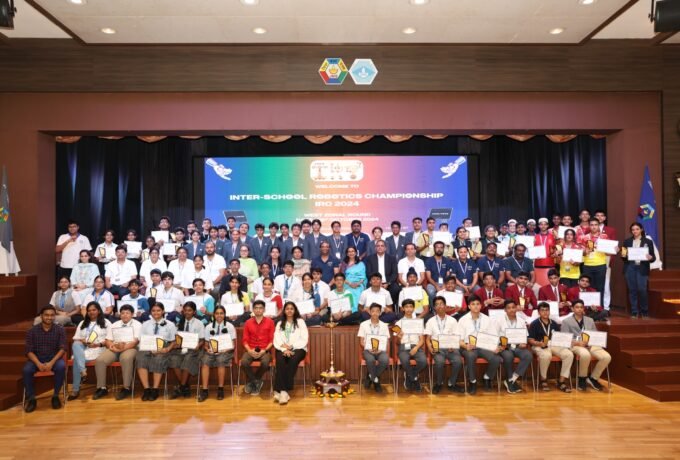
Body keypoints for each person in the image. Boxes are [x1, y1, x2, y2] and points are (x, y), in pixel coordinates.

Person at [23, 306, 67, 413]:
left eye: (52, 315)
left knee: (61, 366)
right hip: (36, 359)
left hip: (54, 358)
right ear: (41, 316)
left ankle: (55, 396)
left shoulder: (60, 330)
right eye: (46, 315)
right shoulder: (32, 331)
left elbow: (62, 349)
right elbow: (29, 351)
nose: (49, 317)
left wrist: (51, 363)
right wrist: (38, 363)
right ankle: (32, 398)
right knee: (26, 370)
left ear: (55, 316)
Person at [561, 300, 611, 391]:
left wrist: (591, 342)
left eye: (581, 307)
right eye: (577, 307)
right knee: (585, 354)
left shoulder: (590, 320)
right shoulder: (566, 321)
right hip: (575, 345)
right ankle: (582, 378)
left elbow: (595, 334)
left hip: (590, 344)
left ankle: (593, 378)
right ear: (572, 309)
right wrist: (577, 343)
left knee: (607, 357)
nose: (579, 309)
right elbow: (564, 339)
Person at [93, 304, 141, 400]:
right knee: (100, 360)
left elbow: (135, 342)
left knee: (126, 358)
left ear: (132, 314)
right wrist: (111, 346)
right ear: (119, 314)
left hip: (130, 348)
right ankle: (102, 388)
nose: (125, 315)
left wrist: (121, 349)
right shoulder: (115, 325)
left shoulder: (138, 325)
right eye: (122, 313)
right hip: (115, 347)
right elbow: (108, 340)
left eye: (127, 313)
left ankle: (126, 388)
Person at [457, 295, 502, 394]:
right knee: (470, 356)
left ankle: (487, 377)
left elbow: (494, 336)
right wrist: (466, 346)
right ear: (469, 306)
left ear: (481, 306)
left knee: (496, 358)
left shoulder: (487, 319)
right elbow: (459, 340)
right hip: (468, 347)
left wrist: (495, 346)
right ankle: (472, 382)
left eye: (478, 304)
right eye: (473, 304)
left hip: (483, 346)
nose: (476, 306)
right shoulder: (463, 320)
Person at [67, 301, 111, 400]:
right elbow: (76, 338)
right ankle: (83, 370)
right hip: (84, 348)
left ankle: (75, 389)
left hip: (100, 348)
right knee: (76, 344)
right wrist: (84, 341)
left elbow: (110, 339)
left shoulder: (106, 322)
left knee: (77, 360)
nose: (91, 312)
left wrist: (98, 344)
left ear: (99, 311)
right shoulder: (82, 323)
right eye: (89, 310)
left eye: (94, 310)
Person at [528, 302, 573, 392]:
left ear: (549, 311)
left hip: (553, 345)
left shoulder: (554, 323)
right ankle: (543, 380)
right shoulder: (534, 324)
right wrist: (539, 343)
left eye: (547, 310)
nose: (545, 312)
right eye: (542, 310)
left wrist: (566, 342)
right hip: (538, 345)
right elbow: (530, 340)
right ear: (538, 312)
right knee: (546, 355)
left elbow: (559, 337)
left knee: (569, 354)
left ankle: (561, 381)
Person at [137, 302, 177, 401]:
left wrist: (167, 349)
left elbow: (174, 341)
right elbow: (141, 339)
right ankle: (146, 389)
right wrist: (149, 347)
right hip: (147, 346)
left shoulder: (170, 324)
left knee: (158, 359)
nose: (156, 313)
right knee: (140, 358)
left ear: (163, 311)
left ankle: (155, 389)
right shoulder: (145, 324)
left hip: (164, 346)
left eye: (158, 310)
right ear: (150, 312)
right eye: (153, 311)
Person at [425, 296, 464, 394]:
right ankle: (439, 383)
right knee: (439, 362)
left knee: (458, 361)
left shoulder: (452, 320)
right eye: (437, 304)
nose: (439, 306)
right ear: (434, 307)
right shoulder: (430, 321)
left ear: (445, 306)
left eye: (441, 304)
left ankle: (452, 383)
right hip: (437, 347)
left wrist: (453, 345)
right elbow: (428, 339)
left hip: (450, 347)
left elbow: (456, 336)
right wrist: (430, 348)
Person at [273, 301, 309, 404]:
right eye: (287, 309)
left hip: (299, 348)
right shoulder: (280, 323)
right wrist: (284, 349)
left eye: (291, 309)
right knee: (280, 360)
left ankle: (281, 390)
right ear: (284, 311)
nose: (289, 310)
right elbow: (277, 338)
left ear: (295, 310)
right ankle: (283, 392)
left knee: (292, 360)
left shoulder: (300, 322)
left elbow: (304, 338)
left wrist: (291, 347)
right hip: (282, 348)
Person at [493, 299, 532, 394]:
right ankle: (511, 381)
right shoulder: (499, 321)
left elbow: (525, 336)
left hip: (518, 346)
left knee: (528, 355)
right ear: (505, 310)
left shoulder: (521, 321)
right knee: (508, 356)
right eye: (509, 308)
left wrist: (523, 343)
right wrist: (498, 346)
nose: (511, 310)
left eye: (513, 307)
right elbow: (494, 335)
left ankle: (511, 380)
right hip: (504, 346)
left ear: (516, 308)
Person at [199, 306, 237, 402]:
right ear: (214, 315)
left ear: (224, 314)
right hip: (212, 351)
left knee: (221, 360)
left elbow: (233, 344)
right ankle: (204, 390)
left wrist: (225, 350)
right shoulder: (208, 327)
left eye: (221, 313)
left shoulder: (230, 326)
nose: (219, 315)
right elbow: (206, 344)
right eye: (217, 313)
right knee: (205, 361)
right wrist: (207, 349)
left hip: (226, 351)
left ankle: (220, 389)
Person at [169, 302, 205, 399]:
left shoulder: (199, 323)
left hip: (194, 350)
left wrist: (198, 345)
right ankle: (184, 386)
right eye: (185, 310)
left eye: (189, 310)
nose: (187, 312)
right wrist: (176, 344)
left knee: (188, 359)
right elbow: (177, 338)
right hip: (181, 349)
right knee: (173, 359)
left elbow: (202, 340)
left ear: (194, 312)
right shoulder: (179, 323)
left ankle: (181, 387)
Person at [621, 222, 656, 319]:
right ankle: (634, 311)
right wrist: (623, 254)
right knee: (632, 290)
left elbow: (653, 257)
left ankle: (644, 311)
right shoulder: (627, 241)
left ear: (641, 229)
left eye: (637, 229)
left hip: (642, 267)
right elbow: (623, 257)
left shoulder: (648, 241)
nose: (635, 231)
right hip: (630, 267)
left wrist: (650, 257)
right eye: (633, 230)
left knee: (642, 289)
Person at [241, 300, 275, 396]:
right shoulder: (248, 322)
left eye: (260, 308)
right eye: (256, 308)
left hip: (265, 350)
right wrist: (249, 350)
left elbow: (272, 340)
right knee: (244, 362)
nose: (258, 310)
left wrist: (264, 350)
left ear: (264, 309)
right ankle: (256, 382)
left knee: (265, 362)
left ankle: (252, 381)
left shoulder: (270, 322)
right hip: (251, 349)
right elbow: (244, 340)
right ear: (253, 309)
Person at [357, 303, 391, 393]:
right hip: (368, 350)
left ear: (380, 313)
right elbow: (361, 341)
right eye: (373, 311)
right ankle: (376, 382)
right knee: (370, 360)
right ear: (369, 312)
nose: (375, 313)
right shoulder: (363, 324)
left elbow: (386, 341)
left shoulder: (384, 325)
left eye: (377, 311)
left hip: (381, 350)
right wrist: (368, 348)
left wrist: (380, 350)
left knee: (385, 360)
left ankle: (371, 376)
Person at [394, 299, 427, 392]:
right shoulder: (397, 323)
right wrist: (399, 337)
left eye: (411, 307)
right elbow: (396, 342)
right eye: (406, 307)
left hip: (416, 346)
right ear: (403, 309)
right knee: (404, 360)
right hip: (404, 346)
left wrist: (416, 348)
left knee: (423, 361)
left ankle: (410, 375)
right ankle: (415, 378)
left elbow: (422, 340)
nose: (409, 309)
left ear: (414, 308)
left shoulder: (419, 322)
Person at [580, 217, 613, 308]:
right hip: (587, 265)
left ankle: (600, 308)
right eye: (592, 225)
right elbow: (580, 252)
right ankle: (588, 308)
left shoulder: (604, 237)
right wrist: (584, 252)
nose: (594, 227)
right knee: (588, 287)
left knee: (600, 287)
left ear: (599, 226)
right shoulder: (584, 237)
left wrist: (613, 250)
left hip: (600, 265)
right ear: (589, 226)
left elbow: (609, 252)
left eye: (595, 225)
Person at [364, 239, 401, 305]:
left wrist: (388, 283)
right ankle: (374, 307)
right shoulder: (370, 258)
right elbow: (368, 273)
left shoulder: (392, 258)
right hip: (374, 282)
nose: (380, 247)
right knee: (368, 288)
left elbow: (394, 273)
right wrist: (377, 283)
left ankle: (390, 307)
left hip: (389, 282)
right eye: (378, 246)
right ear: (375, 248)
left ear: (385, 248)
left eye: (382, 246)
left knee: (396, 289)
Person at [339, 247, 367, 312]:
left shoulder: (361, 264)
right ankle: (348, 312)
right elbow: (342, 277)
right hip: (347, 283)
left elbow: (363, 277)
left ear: (355, 253)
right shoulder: (344, 264)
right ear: (347, 253)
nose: (351, 253)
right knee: (349, 292)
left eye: (352, 251)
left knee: (357, 291)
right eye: (349, 251)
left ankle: (356, 312)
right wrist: (350, 284)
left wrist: (357, 284)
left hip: (359, 284)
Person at [533, 218, 556, 287]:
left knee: (550, 286)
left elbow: (557, 248)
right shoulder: (535, 237)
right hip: (538, 264)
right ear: (539, 226)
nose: (543, 226)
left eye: (545, 224)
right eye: (541, 224)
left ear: (548, 225)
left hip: (550, 264)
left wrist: (556, 253)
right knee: (538, 286)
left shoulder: (553, 236)